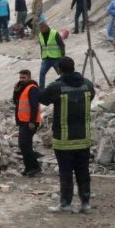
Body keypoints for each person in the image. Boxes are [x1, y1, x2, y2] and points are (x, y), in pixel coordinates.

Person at [37, 57, 95, 213]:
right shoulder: (87, 85)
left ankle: (66, 203)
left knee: (66, 172)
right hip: (83, 137)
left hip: (64, 139)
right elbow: (92, 95)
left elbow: (42, 98)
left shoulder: (57, 87)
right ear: (74, 67)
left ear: (59, 70)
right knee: (83, 171)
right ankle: (85, 203)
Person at [13, 69, 41, 176]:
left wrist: (32, 121)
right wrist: (15, 90)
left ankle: (34, 166)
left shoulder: (32, 88)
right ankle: (29, 167)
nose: (21, 80)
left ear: (29, 77)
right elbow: (16, 101)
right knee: (24, 144)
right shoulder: (22, 89)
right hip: (23, 121)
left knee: (24, 144)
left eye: (23, 78)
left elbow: (34, 106)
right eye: (20, 78)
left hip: (29, 122)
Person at [37, 16, 66, 89]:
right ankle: (41, 89)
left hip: (56, 58)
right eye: (40, 28)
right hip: (46, 58)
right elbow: (42, 46)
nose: (41, 29)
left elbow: (61, 45)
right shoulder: (40, 35)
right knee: (42, 73)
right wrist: (42, 56)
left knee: (61, 73)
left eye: (42, 27)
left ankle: (65, 86)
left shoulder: (54, 33)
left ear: (46, 26)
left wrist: (62, 56)